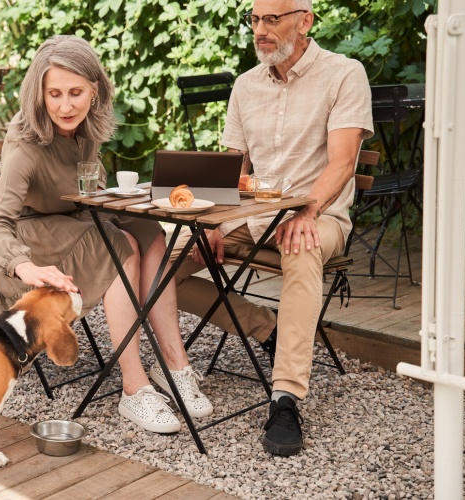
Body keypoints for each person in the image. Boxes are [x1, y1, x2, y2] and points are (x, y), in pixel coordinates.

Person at [0, 35, 213, 434]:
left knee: (150, 232)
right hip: (27, 241)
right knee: (119, 247)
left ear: (95, 90)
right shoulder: (25, 145)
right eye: (54, 94)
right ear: (39, 94)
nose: (65, 105)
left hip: (72, 224)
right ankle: (134, 388)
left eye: (75, 92)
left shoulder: (86, 131)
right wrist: (23, 265)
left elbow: (88, 193)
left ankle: (175, 365)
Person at [172, 0, 373, 456]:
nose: (260, 30)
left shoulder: (344, 74)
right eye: (254, 20)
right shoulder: (245, 85)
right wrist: (212, 218)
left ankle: (285, 398)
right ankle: (268, 330)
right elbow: (235, 165)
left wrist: (307, 212)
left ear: (305, 21)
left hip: (319, 217)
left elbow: (343, 161)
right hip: (251, 216)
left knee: (300, 248)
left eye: (272, 19)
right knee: (161, 266)